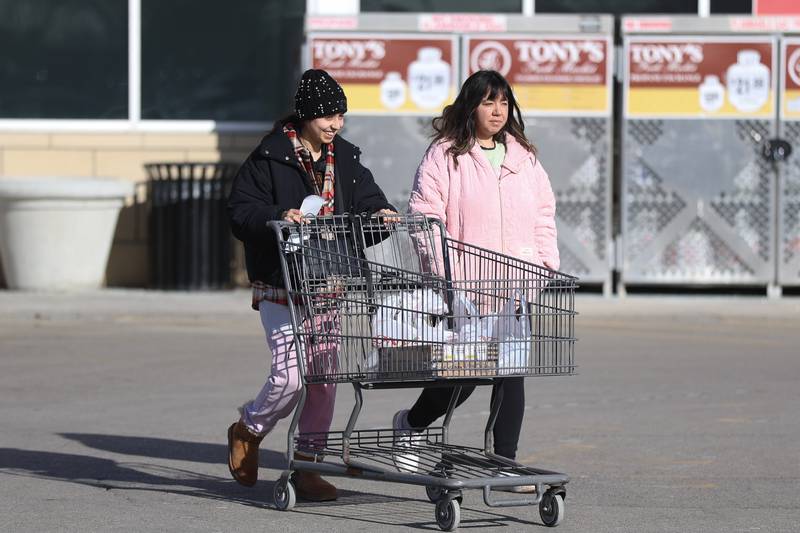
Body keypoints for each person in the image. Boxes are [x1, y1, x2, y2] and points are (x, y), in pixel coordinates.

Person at [227, 69, 396, 502]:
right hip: (281, 283)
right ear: (304, 116)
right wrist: (280, 216)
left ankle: (309, 466)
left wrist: (382, 215)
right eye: (327, 116)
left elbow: (370, 200)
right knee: (288, 378)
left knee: (323, 378)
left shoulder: (347, 159)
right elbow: (240, 213)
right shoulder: (268, 157)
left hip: (328, 282)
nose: (335, 124)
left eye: (340, 115)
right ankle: (249, 428)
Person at [392, 70, 559, 492]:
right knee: (462, 379)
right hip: (465, 288)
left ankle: (505, 464)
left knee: (510, 376)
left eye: (503, 102)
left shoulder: (523, 158)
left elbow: (544, 214)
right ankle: (410, 423)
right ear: (471, 106)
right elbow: (424, 217)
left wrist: (544, 264)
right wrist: (445, 274)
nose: (498, 111)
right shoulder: (446, 155)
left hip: (515, 288)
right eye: (488, 102)